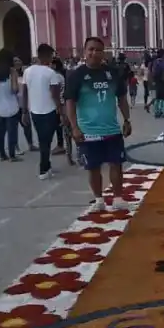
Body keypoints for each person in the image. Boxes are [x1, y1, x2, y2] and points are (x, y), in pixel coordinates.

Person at [65, 36, 132, 211]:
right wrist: (74, 127)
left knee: (116, 164)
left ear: (104, 53)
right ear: (84, 51)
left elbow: (122, 98)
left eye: (98, 50)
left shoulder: (113, 73)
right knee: (93, 167)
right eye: (91, 49)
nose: (94, 53)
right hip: (88, 131)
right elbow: (70, 102)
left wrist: (127, 120)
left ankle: (118, 198)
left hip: (112, 129)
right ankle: (99, 200)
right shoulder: (76, 76)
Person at [21, 44, 64, 180]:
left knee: (42, 139)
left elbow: (25, 92)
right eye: (51, 56)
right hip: (49, 111)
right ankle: (43, 168)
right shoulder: (51, 73)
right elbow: (55, 95)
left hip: (35, 111)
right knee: (46, 141)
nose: (52, 59)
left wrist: (24, 111)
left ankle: (47, 166)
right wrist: (61, 112)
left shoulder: (28, 71)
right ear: (46, 56)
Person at [0, 48, 22, 162]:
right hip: (11, 105)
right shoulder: (12, 71)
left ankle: (2, 154)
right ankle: (12, 155)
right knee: (12, 131)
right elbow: (14, 89)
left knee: (1, 130)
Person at [15, 57, 37, 153]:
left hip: (24, 103)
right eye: (15, 61)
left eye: (19, 60)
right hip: (14, 104)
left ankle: (30, 144)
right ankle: (16, 147)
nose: (18, 62)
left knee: (27, 125)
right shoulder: (11, 74)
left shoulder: (25, 73)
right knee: (14, 127)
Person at [50, 57, 71, 159]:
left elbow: (55, 93)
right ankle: (64, 147)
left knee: (61, 127)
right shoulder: (61, 75)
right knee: (62, 127)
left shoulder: (56, 76)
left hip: (61, 105)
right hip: (63, 104)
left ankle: (62, 147)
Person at [150, 49, 164, 118]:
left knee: (158, 97)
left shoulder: (155, 62)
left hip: (157, 81)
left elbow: (152, 72)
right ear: (163, 55)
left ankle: (157, 112)